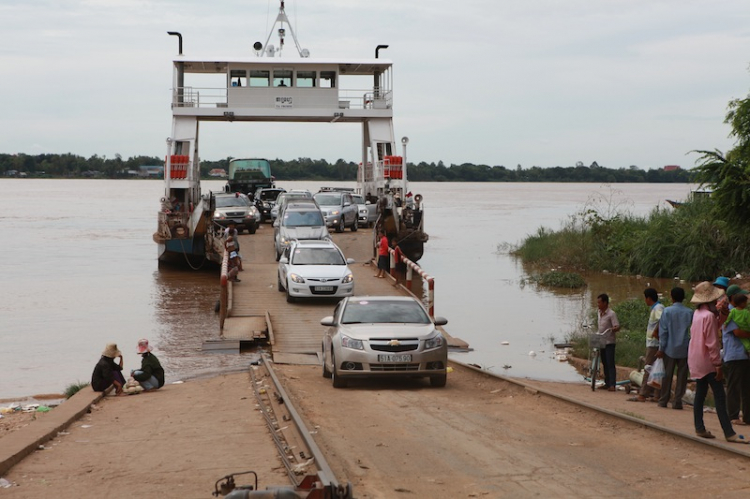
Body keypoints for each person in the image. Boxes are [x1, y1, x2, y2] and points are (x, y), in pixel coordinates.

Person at [688, 281, 747, 443]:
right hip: (708, 361)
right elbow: (712, 343)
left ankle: (699, 427)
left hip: (695, 358)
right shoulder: (708, 316)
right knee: (720, 397)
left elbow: (715, 325)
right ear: (712, 301)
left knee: (700, 393)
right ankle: (729, 433)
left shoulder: (699, 314)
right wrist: (718, 365)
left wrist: (723, 316)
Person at [656, 287, 693, 409]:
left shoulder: (667, 312)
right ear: (683, 298)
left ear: (671, 297)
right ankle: (677, 401)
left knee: (667, 376)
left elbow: (663, 332)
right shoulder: (689, 312)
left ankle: (663, 400)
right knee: (682, 377)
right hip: (685, 348)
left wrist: (661, 348)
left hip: (669, 349)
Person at [630, 288, 664, 402]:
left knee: (648, 368)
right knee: (656, 369)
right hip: (654, 343)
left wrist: (656, 333)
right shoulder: (656, 308)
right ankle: (656, 395)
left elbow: (663, 320)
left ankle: (643, 394)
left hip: (654, 344)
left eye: (645, 298)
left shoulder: (658, 308)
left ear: (648, 298)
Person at [722, 284, 750, 426]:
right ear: (734, 298)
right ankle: (733, 415)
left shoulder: (743, 312)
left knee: (746, 386)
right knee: (734, 386)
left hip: (744, 355)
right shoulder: (730, 313)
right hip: (734, 354)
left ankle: (747, 416)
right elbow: (738, 332)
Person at [596, 293, 620, 392]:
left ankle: (612, 385)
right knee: (604, 362)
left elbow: (617, 326)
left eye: (599, 302)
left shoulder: (611, 314)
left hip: (609, 341)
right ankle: (607, 383)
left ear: (605, 303)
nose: (598, 305)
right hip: (601, 340)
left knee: (610, 363)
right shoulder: (598, 312)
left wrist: (613, 329)